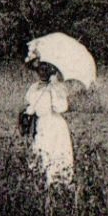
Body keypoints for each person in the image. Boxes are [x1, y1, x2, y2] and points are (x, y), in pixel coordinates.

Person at [22, 59, 75, 187]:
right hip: (41, 125)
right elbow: (30, 107)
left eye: (46, 69)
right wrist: (28, 114)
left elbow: (61, 108)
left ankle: (57, 185)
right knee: (40, 153)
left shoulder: (57, 87)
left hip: (55, 126)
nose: (43, 73)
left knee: (56, 154)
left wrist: (53, 89)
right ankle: (40, 185)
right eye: (40, 69)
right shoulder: (34, 88)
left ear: (52, 70)